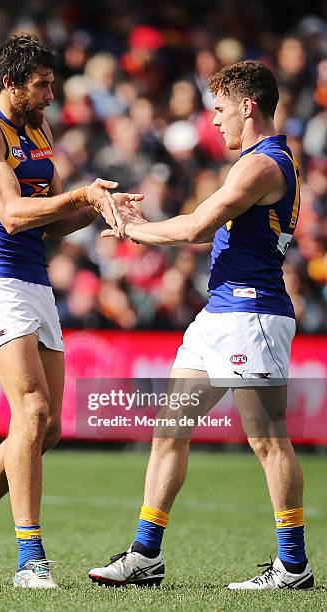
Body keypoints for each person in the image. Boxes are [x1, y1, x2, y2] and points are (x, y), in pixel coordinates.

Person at [89, 60, 314, 590]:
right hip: (220, 314)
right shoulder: (257, 161)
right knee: (170, 429)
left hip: (252, 314)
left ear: (247, 106)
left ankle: (294, 565)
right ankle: (146, 555)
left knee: (268, 441)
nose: (213, 121)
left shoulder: (264, 164)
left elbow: (195, 226)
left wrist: (131, 230)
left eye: (218, 110)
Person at [0, 33, 141, 589]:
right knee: (28, 411)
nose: (52, 94)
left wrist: (98, 209)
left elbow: (49, 224)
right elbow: (13, 215)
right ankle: (31, 558)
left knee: (44, 428)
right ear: (10, 83)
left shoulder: (37, 131)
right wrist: (78, 195)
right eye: (42, 84)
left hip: (34, 281)